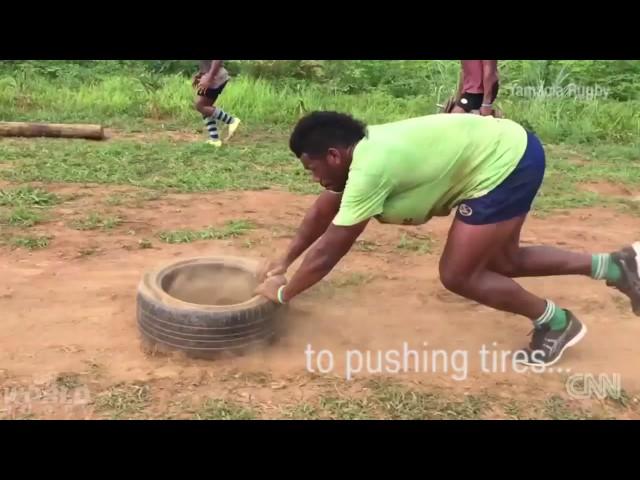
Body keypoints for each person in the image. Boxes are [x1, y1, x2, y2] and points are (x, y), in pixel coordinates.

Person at [254, 111, 640, 367]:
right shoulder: (361, 157)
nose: (312, 177)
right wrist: (283, 262)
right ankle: (614, 265)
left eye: (311, 167)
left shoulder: (371, 169)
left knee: (459, 274)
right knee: (502, 262)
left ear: (334, 155)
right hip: (509, 147)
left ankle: (556, 323)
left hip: (505, 162)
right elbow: (323, 212)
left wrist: (284, 295)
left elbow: (329, 250)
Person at [193, 60, 241, 147]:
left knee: (200, 105)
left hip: (215, 77)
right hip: (214, 76)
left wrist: (209, 77)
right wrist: (200, 74)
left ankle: (231, 121)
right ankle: (214, 139)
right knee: (205, 107)